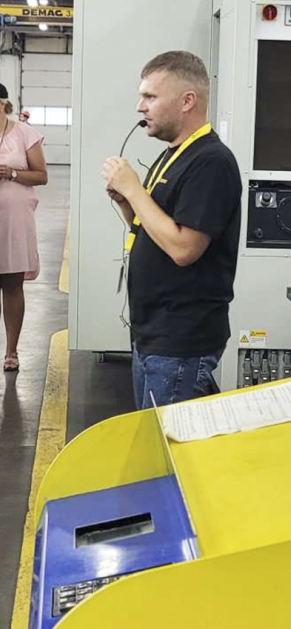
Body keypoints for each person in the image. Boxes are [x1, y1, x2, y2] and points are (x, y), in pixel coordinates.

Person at [101, 50, 242, 409]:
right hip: (153, 332)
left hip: (181, 339)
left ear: (187, 101)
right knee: (154, 437)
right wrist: (127, 202)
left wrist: (135, 189)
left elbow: (183, 249)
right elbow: (154, 231)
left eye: (150, 96)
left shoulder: (211, 162)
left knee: (167, 443)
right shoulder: (173, 155)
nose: (140, 107)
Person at [0, 81, 48, 373]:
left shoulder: (25, 133)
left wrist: (13, 173)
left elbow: (41, 176)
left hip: (15, 219)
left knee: (13, 284)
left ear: (2, 104)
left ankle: (12, 351)